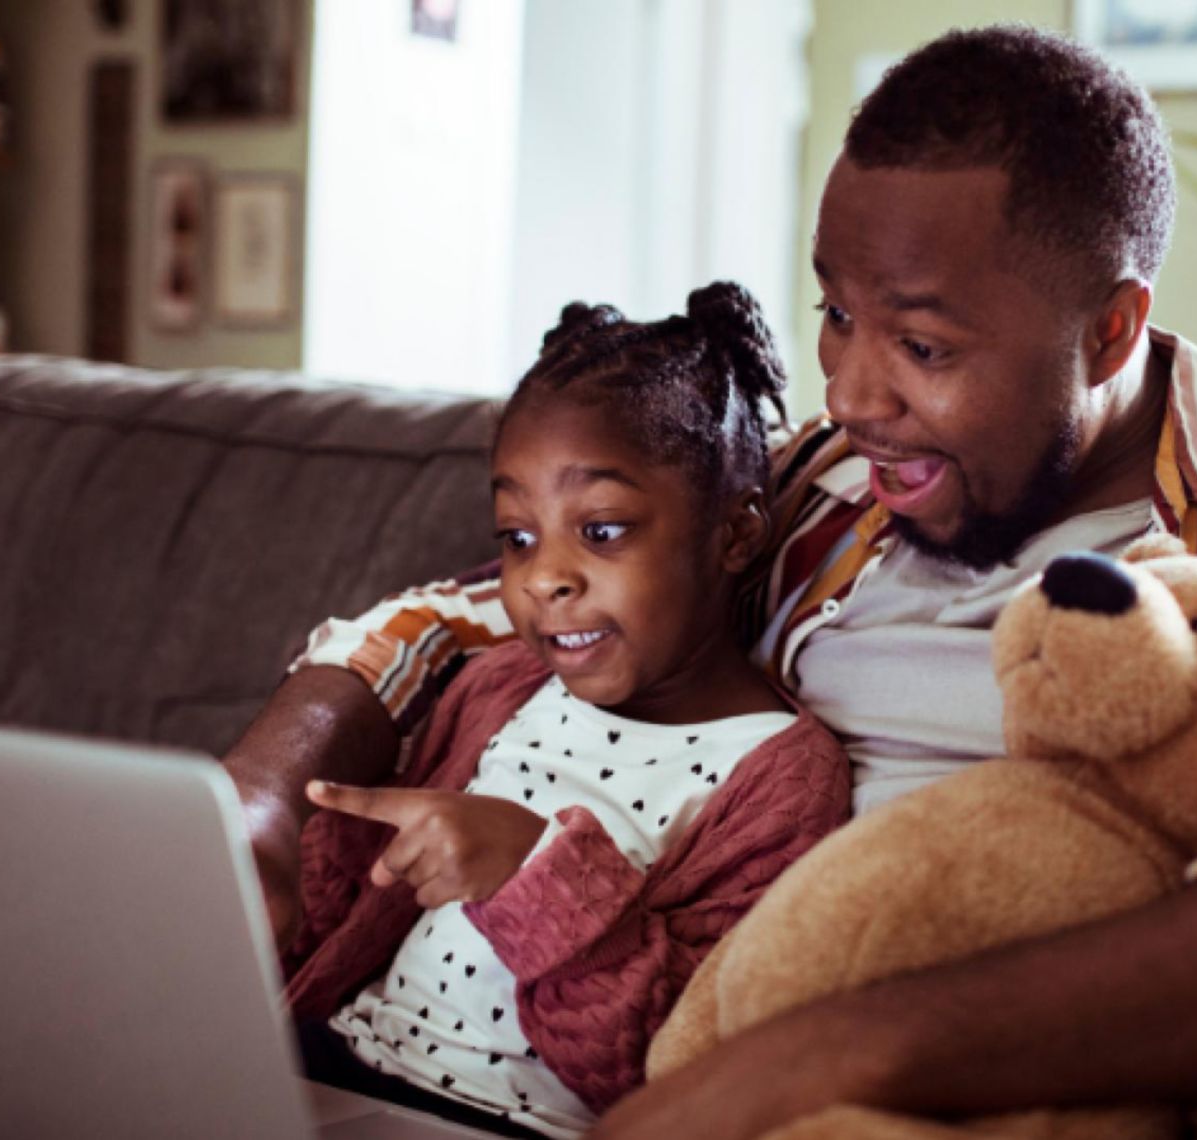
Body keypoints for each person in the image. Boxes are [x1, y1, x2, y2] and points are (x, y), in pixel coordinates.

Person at [223, 25, 1197, 1140]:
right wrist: (269, 804)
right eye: (834, 315)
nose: (851, 393)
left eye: (921, 345)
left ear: (1110, 327)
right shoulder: (818, 487)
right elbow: (486, 609)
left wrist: (838, 1054)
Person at [269, 283, 851, 1138]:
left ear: (734, 534)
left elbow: (672, 1069)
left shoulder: (782, 782)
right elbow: (357, 910)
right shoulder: (501, 686)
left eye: (603, 530)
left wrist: (535, 876)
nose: (544, 579)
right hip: (343, 1070)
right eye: (517, 537)